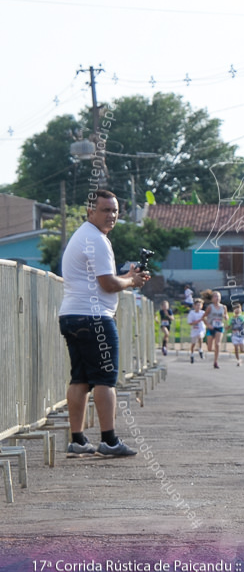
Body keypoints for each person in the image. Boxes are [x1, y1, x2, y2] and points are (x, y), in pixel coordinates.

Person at [59, 189, 150, 458]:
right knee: (105, 381)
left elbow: (104, 279)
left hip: (72, 315)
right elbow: (108, 284)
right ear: (90, 211)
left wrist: (127, 276)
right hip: (95, 318)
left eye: (115, 211)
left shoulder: (83, 236)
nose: (111, 216)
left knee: (80, 379)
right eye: (105, 210)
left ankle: (77, 439)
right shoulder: (97, 240)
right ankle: (109, 441)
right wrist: (131, 282)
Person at [204, 291, 227, 369]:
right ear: (212, 298)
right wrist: (208, 325)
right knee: (210, 348)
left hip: (219, 327)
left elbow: (225, 314)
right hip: (211, 327)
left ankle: (215, 362)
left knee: (217, 344)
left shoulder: (223, 307)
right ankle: (208, 341)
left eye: (218, 296)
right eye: (215, 296)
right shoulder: (210, 307)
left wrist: (226, 316)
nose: (217, 298)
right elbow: (203, 317)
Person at [187, 298, 206, 363]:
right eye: (197, 305)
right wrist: (196, 322)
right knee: (193, 344)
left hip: (201, 328)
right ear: (194, 306)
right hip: (194, 329)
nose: (198, 307)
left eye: (199, 305)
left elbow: (206, 320)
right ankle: (192, 355)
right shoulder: (191, 313)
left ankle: (200, 349)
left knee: (200, 336)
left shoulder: (203, 313)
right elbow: (190, 323)